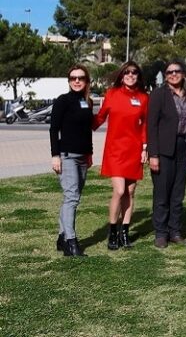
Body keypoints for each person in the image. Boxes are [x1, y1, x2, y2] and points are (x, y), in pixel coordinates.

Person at [94, 61, 149, 250]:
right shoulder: (111, 94)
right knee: (119, 190)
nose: (131, 75)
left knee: (131, 191)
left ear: (138, 76)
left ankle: (125, 232)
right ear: (121, 74)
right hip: (115, 151)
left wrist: (144, 148)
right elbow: (99, 118)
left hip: (134, 150)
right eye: (127, 72)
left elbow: (145, 126)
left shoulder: (143, 98)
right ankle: (113, 231)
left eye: (134, 72)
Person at [147, 60, 186, 248]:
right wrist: (153, 154)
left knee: (178, 193)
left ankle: (175, 231)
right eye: (169, 72)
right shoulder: (159, 95)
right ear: (165, 75)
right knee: (162, 192)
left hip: (184, 146)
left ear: (184, 74)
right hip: (163, 148)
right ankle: (161, 232)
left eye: (177, 71)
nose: (173, 74)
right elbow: (151, 126)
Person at [50, 64, 95, 257]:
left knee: (71, 197)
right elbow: (53, 129)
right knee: (72, 198)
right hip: (67, 156)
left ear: (86, 81)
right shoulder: (63, 101)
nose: (77, 81)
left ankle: (62, 237)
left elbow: (87, 131)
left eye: (81, 78)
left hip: (83, 157)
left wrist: (90, 153)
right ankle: (71, 242)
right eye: (73, 78)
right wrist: (55, 156)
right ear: (69, 81)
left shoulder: (88, 102)